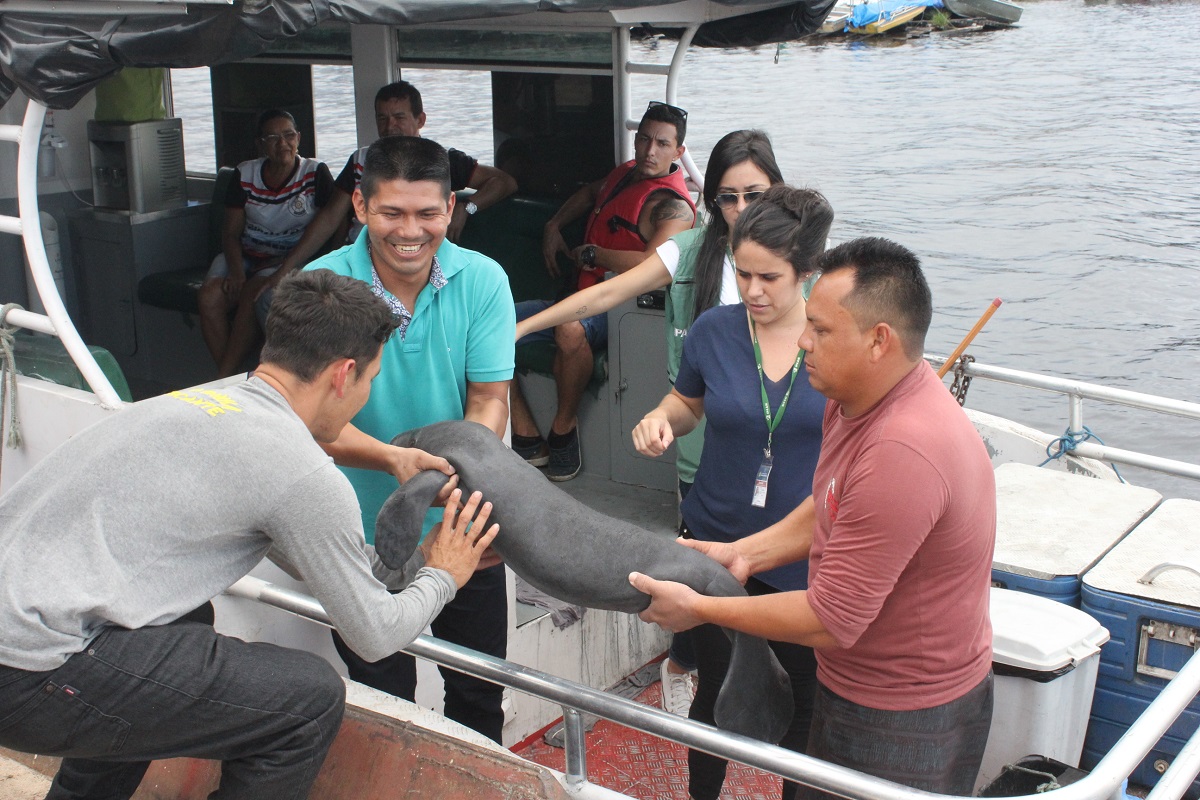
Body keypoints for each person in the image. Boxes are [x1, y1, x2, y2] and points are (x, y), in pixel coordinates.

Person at [0, 269, 500, 800]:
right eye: (370, 380)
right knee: (308, 702)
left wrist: (422, 556)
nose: (364, 396)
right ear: (343, 374)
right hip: (31, 675)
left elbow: (346, 570)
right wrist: (446, 575)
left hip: (23, 644)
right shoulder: (301, 472)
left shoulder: (210, 400)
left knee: (187, 618)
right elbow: (375, 636)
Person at [629, 237, 996, 798]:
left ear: (880, 341)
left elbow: (833, 619)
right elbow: (827, 503)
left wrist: (700, 608)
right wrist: (745, 553)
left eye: (821, 331)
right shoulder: (853, 402)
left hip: (904, 712)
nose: (803, 343)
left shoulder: (903, 450)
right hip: (848, 682)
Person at [515, 129, 785, 716]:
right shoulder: (688, 255)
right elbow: (600, 298)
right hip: (703, 463)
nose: (741, 211)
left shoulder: (802, 270)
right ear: (709, 201)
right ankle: (684, 665)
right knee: (697, 587)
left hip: (780, 465)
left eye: (755, 194)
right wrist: (521, 330)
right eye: (727, 198)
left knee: (766, 590)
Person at [303, 135, 516, 743]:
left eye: (427, 213)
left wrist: (463, 482)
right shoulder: (321, 286)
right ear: (360, 206)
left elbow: (490, 396)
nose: (410, 232)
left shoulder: (484, 279)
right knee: (382, 701)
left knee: (479, 696)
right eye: (392, 212)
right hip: (352, 529)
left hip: (459, 524)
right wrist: (395, 460)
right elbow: (313, 420)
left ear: (451, 209)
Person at [631, 185, 834, 800]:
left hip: (802, 551)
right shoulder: (714, 331)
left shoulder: (833, 342)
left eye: (768, 277)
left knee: (805, 701)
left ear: (807, 271)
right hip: (714, 539)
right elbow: (689, 403)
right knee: (716, 690)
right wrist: (662, 417)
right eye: (742, 274)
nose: (751, 291)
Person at [509, 101, 697, 481]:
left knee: (570, 329)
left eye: (662, 144)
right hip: (576, 295)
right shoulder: (626, 173)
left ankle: (562, 432)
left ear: (678, 152)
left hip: (623, 311)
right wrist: (554, 225)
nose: (649, 151)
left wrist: (596, 255)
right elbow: (591, 193)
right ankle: (525, 433)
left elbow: (654, 264)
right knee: (487, 323)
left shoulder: (673, 208)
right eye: (643, 139)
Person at [264, 80, 517, 312]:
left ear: (420, 120)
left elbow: (504, 182)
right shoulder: (361, 160)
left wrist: (468, 207)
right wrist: (286, 269)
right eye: (382, 118)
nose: (389, 127)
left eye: (399, 117)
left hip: (415, 260)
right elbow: (330, 216)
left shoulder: (441, 160)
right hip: (359, 255)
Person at [197, 108, 335, 377]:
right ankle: (233, 376)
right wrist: (237, 271)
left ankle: (225, 378)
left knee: (255, 291)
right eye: (273, 137)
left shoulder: (314, 172)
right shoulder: (245, 174)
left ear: (298, 138)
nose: (282, 143)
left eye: (288, 135)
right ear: (260, 144)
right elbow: (230, 234)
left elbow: (333, 225)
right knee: (209, 296)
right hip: (245, 253)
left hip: (289, 257)